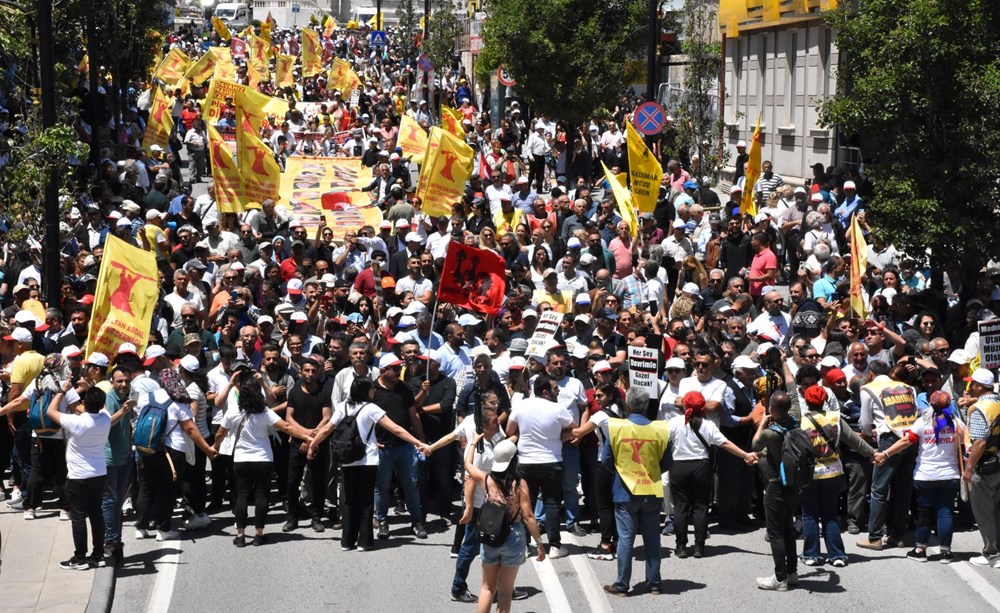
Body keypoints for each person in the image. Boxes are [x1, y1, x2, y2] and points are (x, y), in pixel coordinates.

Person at [310, 377, 430, 551]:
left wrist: (313, 444)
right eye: (372, 389)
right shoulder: (371, 408)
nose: (374, 391)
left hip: (347, 459)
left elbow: (328, 428)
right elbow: (395, 428)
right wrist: (417, 442)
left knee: (350, 500)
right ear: (366, 391)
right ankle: (364, 542)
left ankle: (347, 541)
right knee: (366, 501)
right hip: (367, 460)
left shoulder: (343, 406)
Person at [211, 369, 313, 547]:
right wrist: (307, 437)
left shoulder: (234, 411)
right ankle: (259, 534)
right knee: (261, 496)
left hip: (241, 459)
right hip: (263, 459)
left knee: (242, 496)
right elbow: (287, 427)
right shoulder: (265, 412)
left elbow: (220, 433)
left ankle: (241, 535)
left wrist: (215, 447)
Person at [667, 391, 758, 558]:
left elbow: (663, 442)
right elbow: (725, 443)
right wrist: (746, 455)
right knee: (700, 507)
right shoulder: (708, 425)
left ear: (685, 405)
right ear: (703, 407)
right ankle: (699, 547)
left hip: (679, 466)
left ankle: (680, 547)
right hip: (701, 466)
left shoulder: (673, 423)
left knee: (680, 507)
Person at [877, 390, 964, 563]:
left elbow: (905, 441)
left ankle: (920, 550)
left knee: (924, 513)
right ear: (948, 405)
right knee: (945, 512)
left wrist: (884, 454)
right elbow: (967, 442)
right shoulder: (956, 423)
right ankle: (946, 553)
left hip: (925, 476)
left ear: (931, 404)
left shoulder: (923, 422)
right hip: (950, 475)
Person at [600, 387, 671, 597]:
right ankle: (654, 583)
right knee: (652, 540)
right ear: (647, 405)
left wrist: (623, 472)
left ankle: (622, 585)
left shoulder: (617, 428)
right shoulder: (660, 429)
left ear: (627, 405)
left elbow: (605, 461)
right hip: (651, 491)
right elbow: (667, 463)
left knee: (625, 540)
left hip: (624, 491)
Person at [463, 437, 545, 613]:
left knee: (487, 588)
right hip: (513, 537)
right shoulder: (519, 484)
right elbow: (529, 516)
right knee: (505, 592)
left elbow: (468, 465)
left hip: (490, 535)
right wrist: (539, 543)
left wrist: (473, 442)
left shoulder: (486, 480)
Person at [505, 374, 575, 559]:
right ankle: (555, 546)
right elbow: (573, 429)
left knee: (527, 503)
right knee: (551, 503)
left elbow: (509, 431)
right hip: (552, 461)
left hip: (527, 462)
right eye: (555, 389)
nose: (558, 391)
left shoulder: (521, 406)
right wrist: (558, 436)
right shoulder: (558, 409)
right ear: (545, 392)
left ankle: (526, 544)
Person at [48, 385, 112, 570]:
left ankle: (80, 557)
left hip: (78, 476)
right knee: (96, 514)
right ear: (101, 405)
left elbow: (51, 411)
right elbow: (104, 408)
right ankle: (98, 555)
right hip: (99, 473)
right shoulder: (105, 419)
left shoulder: (77, 422)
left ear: (83, 403)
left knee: (78, 517)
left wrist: (63, 390)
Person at [752, 392, 801, 591]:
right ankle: (792, 572)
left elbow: (755, 444)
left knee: (775, 533)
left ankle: (780, 579)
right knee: (788, 529)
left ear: (771, 409)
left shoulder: (772, 433)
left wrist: (763, 423)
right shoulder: (796, 420)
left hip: (776, 485)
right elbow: (795, 396)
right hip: (794, 485)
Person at [961, 368, 1000, 567]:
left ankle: (991, 554)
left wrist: (968, 469)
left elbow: (979, 443)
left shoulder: (979, 409)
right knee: (997, 509)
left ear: (978, 386)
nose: (969, 386)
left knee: (984, 511)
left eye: (972, 383)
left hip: (985, 465)